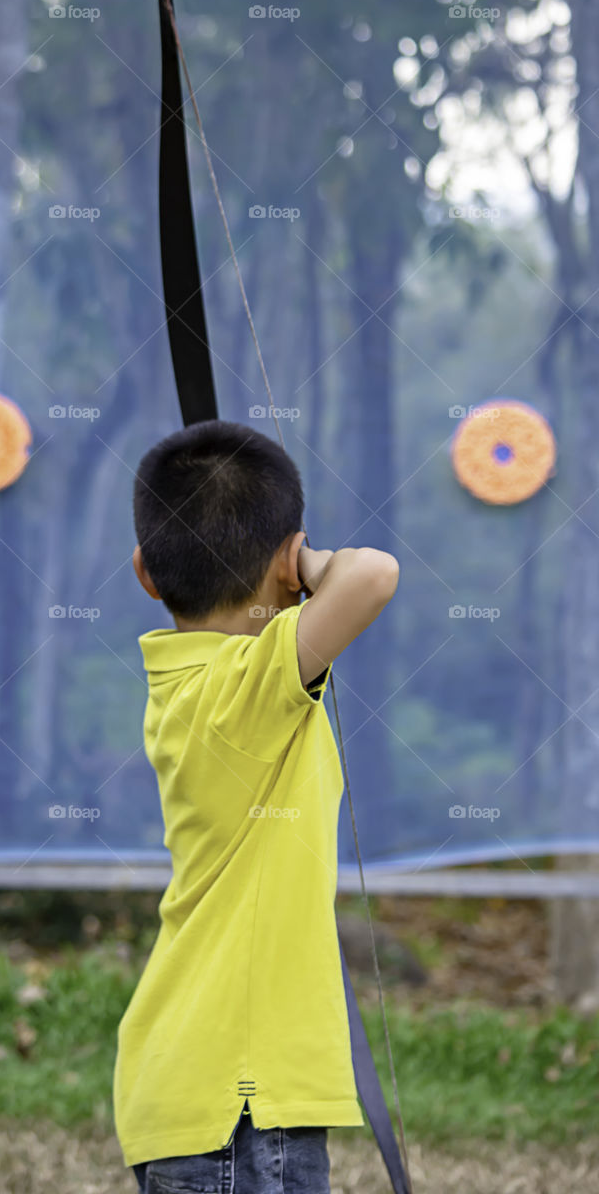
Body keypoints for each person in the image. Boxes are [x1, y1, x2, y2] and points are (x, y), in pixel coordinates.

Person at [113, 419, 400, 1194]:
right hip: (238, 1103)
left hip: (209, 1092)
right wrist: (302, 558)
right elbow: (372, 574)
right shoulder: (245, 689)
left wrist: (283, 563)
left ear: (146, 572)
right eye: (295, 563)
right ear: (287, 567)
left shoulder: (192, 689)